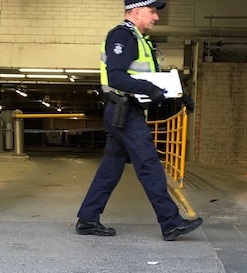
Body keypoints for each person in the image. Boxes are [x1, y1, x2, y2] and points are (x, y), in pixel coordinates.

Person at [75, 0, 203, 241]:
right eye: (152, 12)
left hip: (123, 112)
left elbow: (151, 78)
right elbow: (116, 77)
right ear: (136, 12)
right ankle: (171, 223)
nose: (156, 17)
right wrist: (148, 88)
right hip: (124, 112)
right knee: (149, 165)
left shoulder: (140, 40)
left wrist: (179, 94)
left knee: (110, 169)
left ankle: (88, 218)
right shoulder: (122, 37)